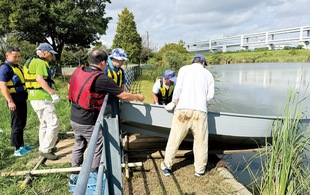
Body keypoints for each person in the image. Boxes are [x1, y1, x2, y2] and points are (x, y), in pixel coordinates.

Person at [68, 49, 144, 178]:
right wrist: (138, 96)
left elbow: (70, 88)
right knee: (98, 145)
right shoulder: (102, 78)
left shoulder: (79, 71)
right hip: (88, 121)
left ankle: (74, 171)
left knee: (79, 144)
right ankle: (93, 175)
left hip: (74, 116)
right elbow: (123, 95)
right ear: (103, 62)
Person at [161, 54, 214, 177]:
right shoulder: (208, 74)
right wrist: (200, 100)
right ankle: (200, 170)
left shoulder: (184, 69)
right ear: (203, 63)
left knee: (175, 139)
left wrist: (174, 102)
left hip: (183, 109)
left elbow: (178, 88)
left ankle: (166, 167)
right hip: (200, 111)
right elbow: (210, 96)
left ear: (193, 61)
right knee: (201, 142)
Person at [23, 43, 60, 160]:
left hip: (34, 97)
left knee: (44, 123)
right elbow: (39, 79)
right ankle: (45, 149)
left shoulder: (30, 61)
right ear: (44, 52)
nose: (51, 57)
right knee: (53, 123)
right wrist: (52, 93)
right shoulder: (40, 63)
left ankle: (44, 145)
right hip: (42, 97)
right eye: (50, 54)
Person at [0, 46, 32, 156]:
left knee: (22, 123)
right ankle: (17, 149)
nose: (17, 59)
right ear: (7, 56)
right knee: (16, 124)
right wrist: (10, 101)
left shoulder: (16, 66)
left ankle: (22, 144)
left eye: (19, 56)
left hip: (22, 98)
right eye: (15, 57)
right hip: (14, 100)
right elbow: (3, 86)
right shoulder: (5, 68)